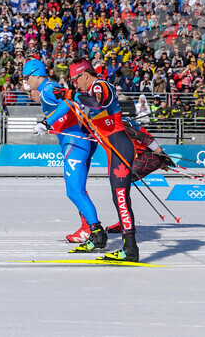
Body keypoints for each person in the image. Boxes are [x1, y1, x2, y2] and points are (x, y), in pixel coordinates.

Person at [23, 59, 103, 246]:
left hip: (74, 142)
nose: (27, 83)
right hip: (75, 141)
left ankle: (97, 233)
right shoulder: (47, 89)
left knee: (74, 192)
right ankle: (87, 228)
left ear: (36, 75)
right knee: (77, 190)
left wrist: (46, 122)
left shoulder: (48, 88)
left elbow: (69, 100)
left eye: (27, 78)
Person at [70, 58, 139, 262]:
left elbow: (97, 101)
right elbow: (98, 120)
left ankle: (130, 249)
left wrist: (73, 95)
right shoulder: (92, 90)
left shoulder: (99, 85)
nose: (75, 83)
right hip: (114, 150)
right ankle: (129, 247)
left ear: (84, 75)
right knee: (119, 198)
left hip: (120, 149)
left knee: (121, 198)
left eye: (76, 79)